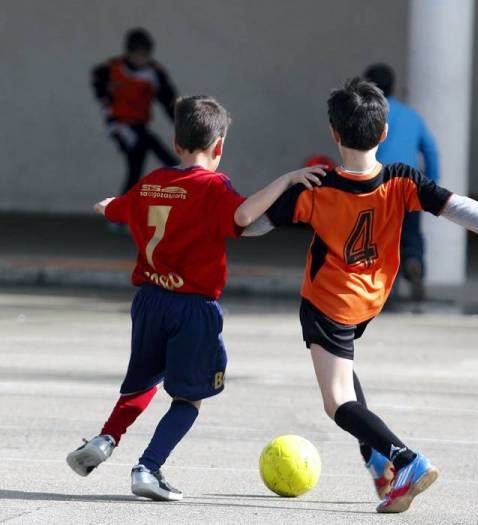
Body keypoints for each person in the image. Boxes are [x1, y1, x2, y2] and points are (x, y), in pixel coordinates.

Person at [264, 78, 478, 513]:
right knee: (343, 370)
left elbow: (251, 223)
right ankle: (382, 470)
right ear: (383, 132)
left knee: (338, 402)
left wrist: (249, 207)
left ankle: (406, 460)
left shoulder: (318, 186)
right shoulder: (402, 180)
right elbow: (465, 210)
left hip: (328, 303)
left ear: (334, 134)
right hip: (370, 299)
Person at [66, 95, 325, 501]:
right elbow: (243, 217)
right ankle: (148, 469)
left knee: (142, 383)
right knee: (191, 397)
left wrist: (105, 207)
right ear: (219, 145)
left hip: (149, 300)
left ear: (175, 142)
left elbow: (118, 207)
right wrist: (288, 179)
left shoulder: (151, 183)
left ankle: (105, 439)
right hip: (193, 309)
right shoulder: (213, 187)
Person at [364, 63, 439, 301]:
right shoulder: (411, 115)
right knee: (411, 232)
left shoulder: (368, 115)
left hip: (379, 184)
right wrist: (431, 183)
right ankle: (413, 261)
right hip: (411, 185)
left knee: (380, 235)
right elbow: (431, 150)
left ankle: (386, 282)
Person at [91, 28, 179, 195]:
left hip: (139, 124)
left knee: (136, 166)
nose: (141, 59)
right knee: (148, 143)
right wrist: (103, 95)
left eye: (145, 55)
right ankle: (176, 169)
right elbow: (97, 77)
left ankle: (119, 211)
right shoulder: (114, 68)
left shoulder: (154, 73)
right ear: (128, 53)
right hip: (119, 123)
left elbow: (168, 100)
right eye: (137, 54)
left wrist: (179, 124)